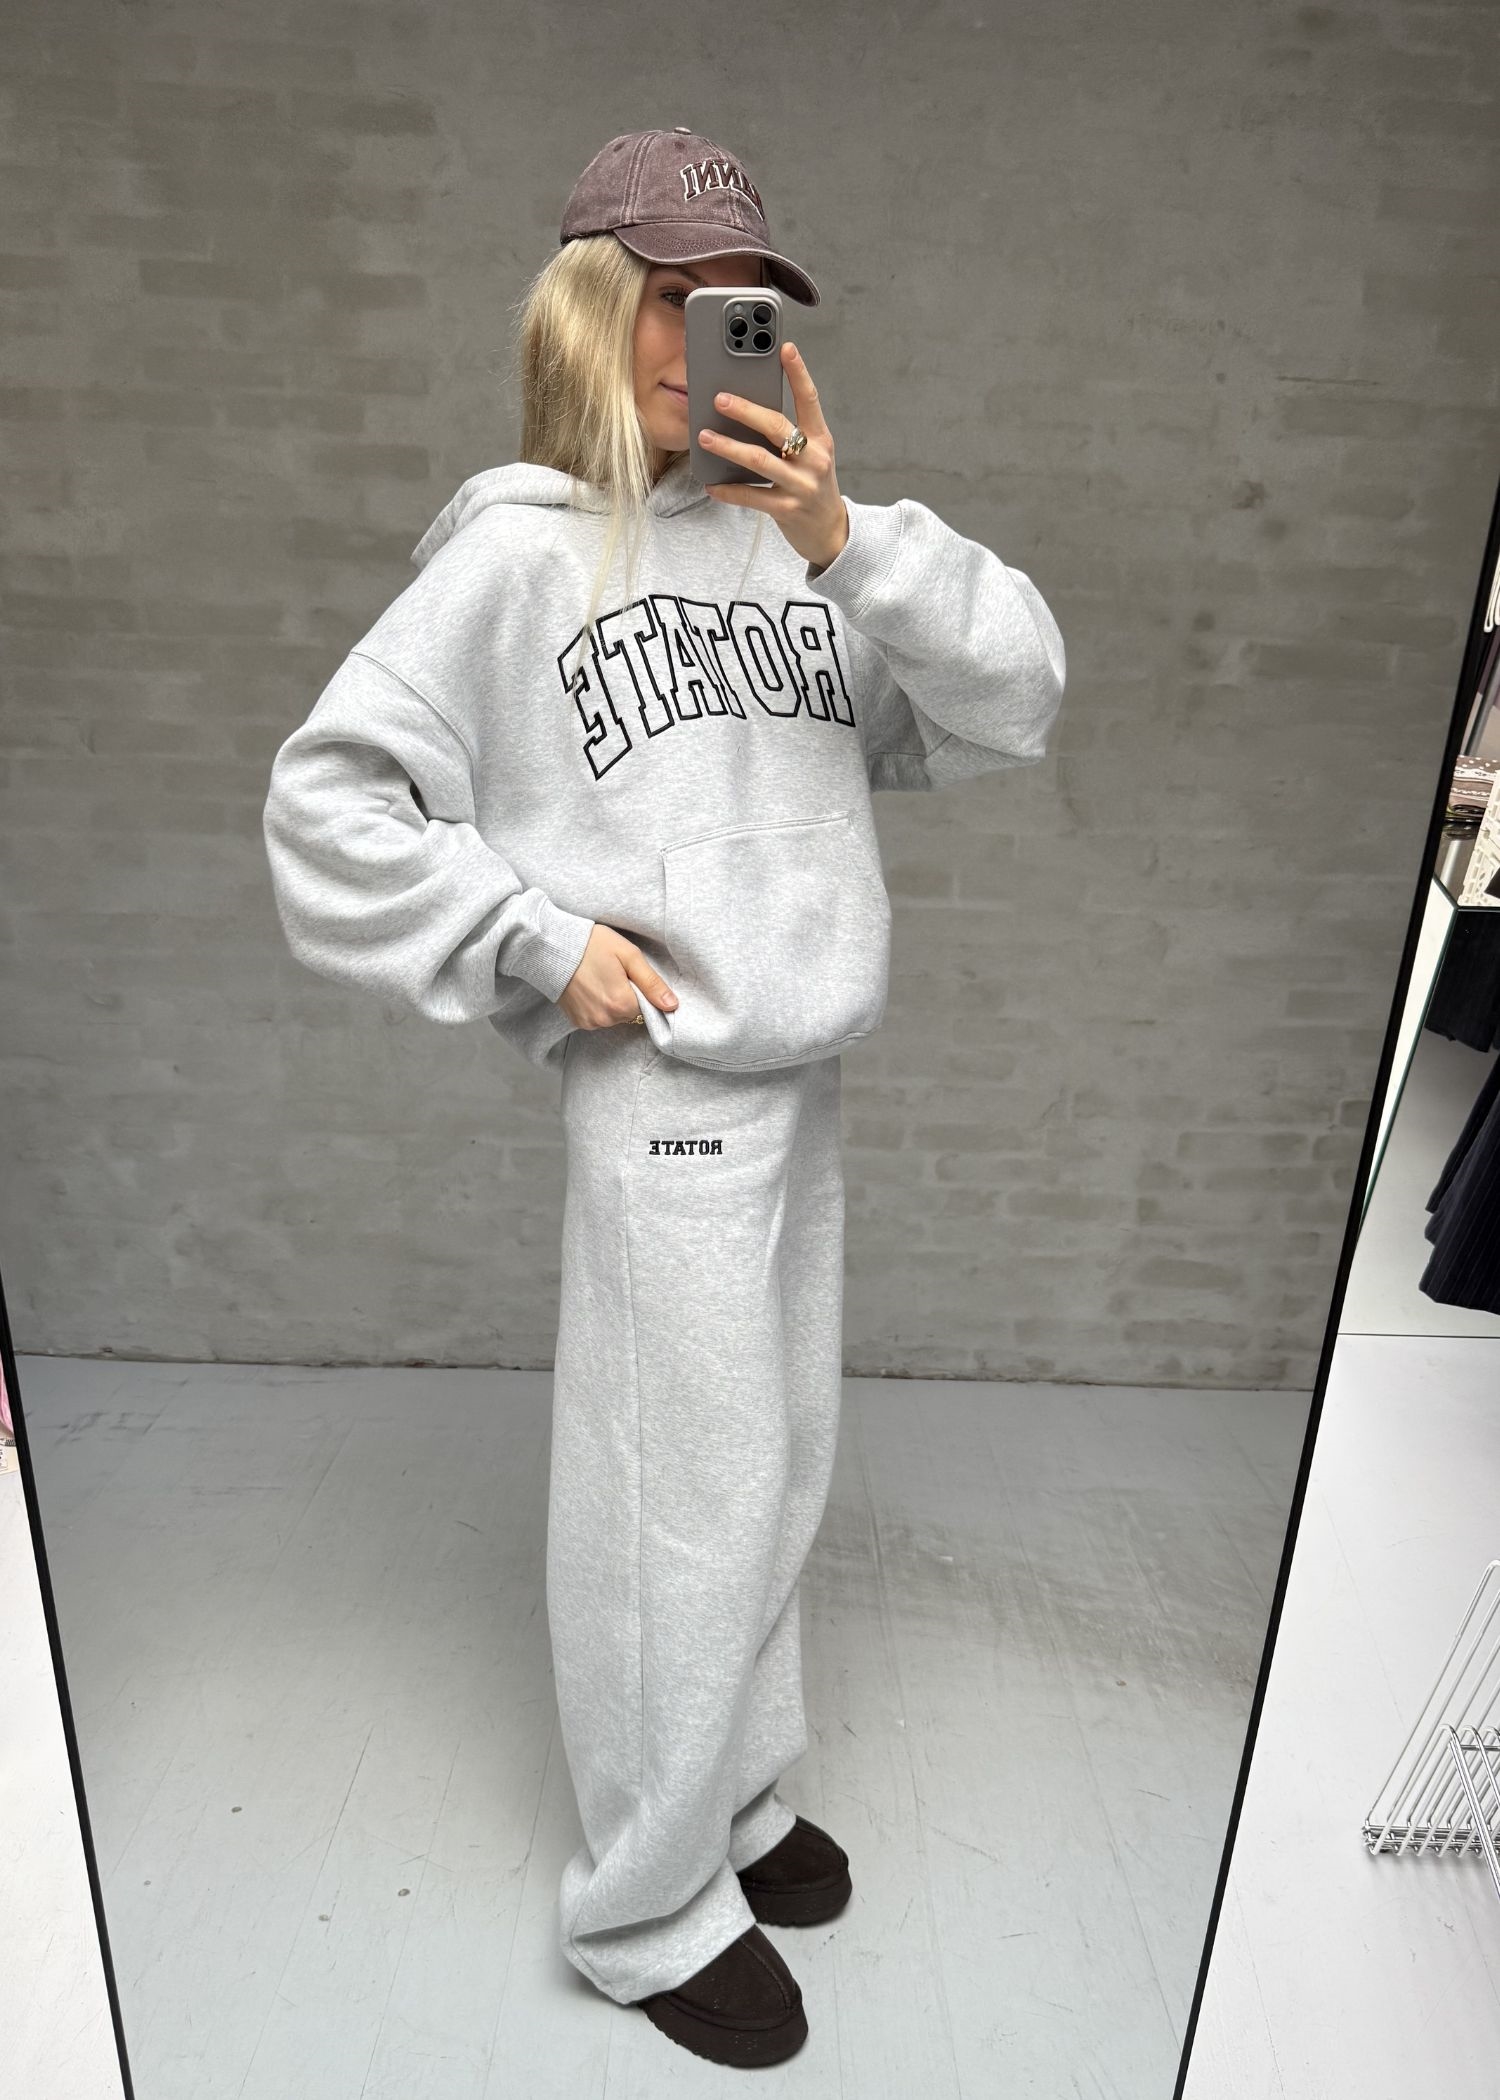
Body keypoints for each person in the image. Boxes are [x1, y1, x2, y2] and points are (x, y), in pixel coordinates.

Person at [262, 125, 1066, 2070]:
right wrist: (535, 938)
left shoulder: (810, 552)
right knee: (671, 1520)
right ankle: (642, 1909)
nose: (719, 337)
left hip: (803, 1089)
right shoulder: (519, 559)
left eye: (749, 307)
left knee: (772, 1479)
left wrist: (849, 537)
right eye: (684, 302)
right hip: (670, 1104)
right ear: (595, 311)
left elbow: (1014, 700)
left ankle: (734, 1803)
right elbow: (327, 803)